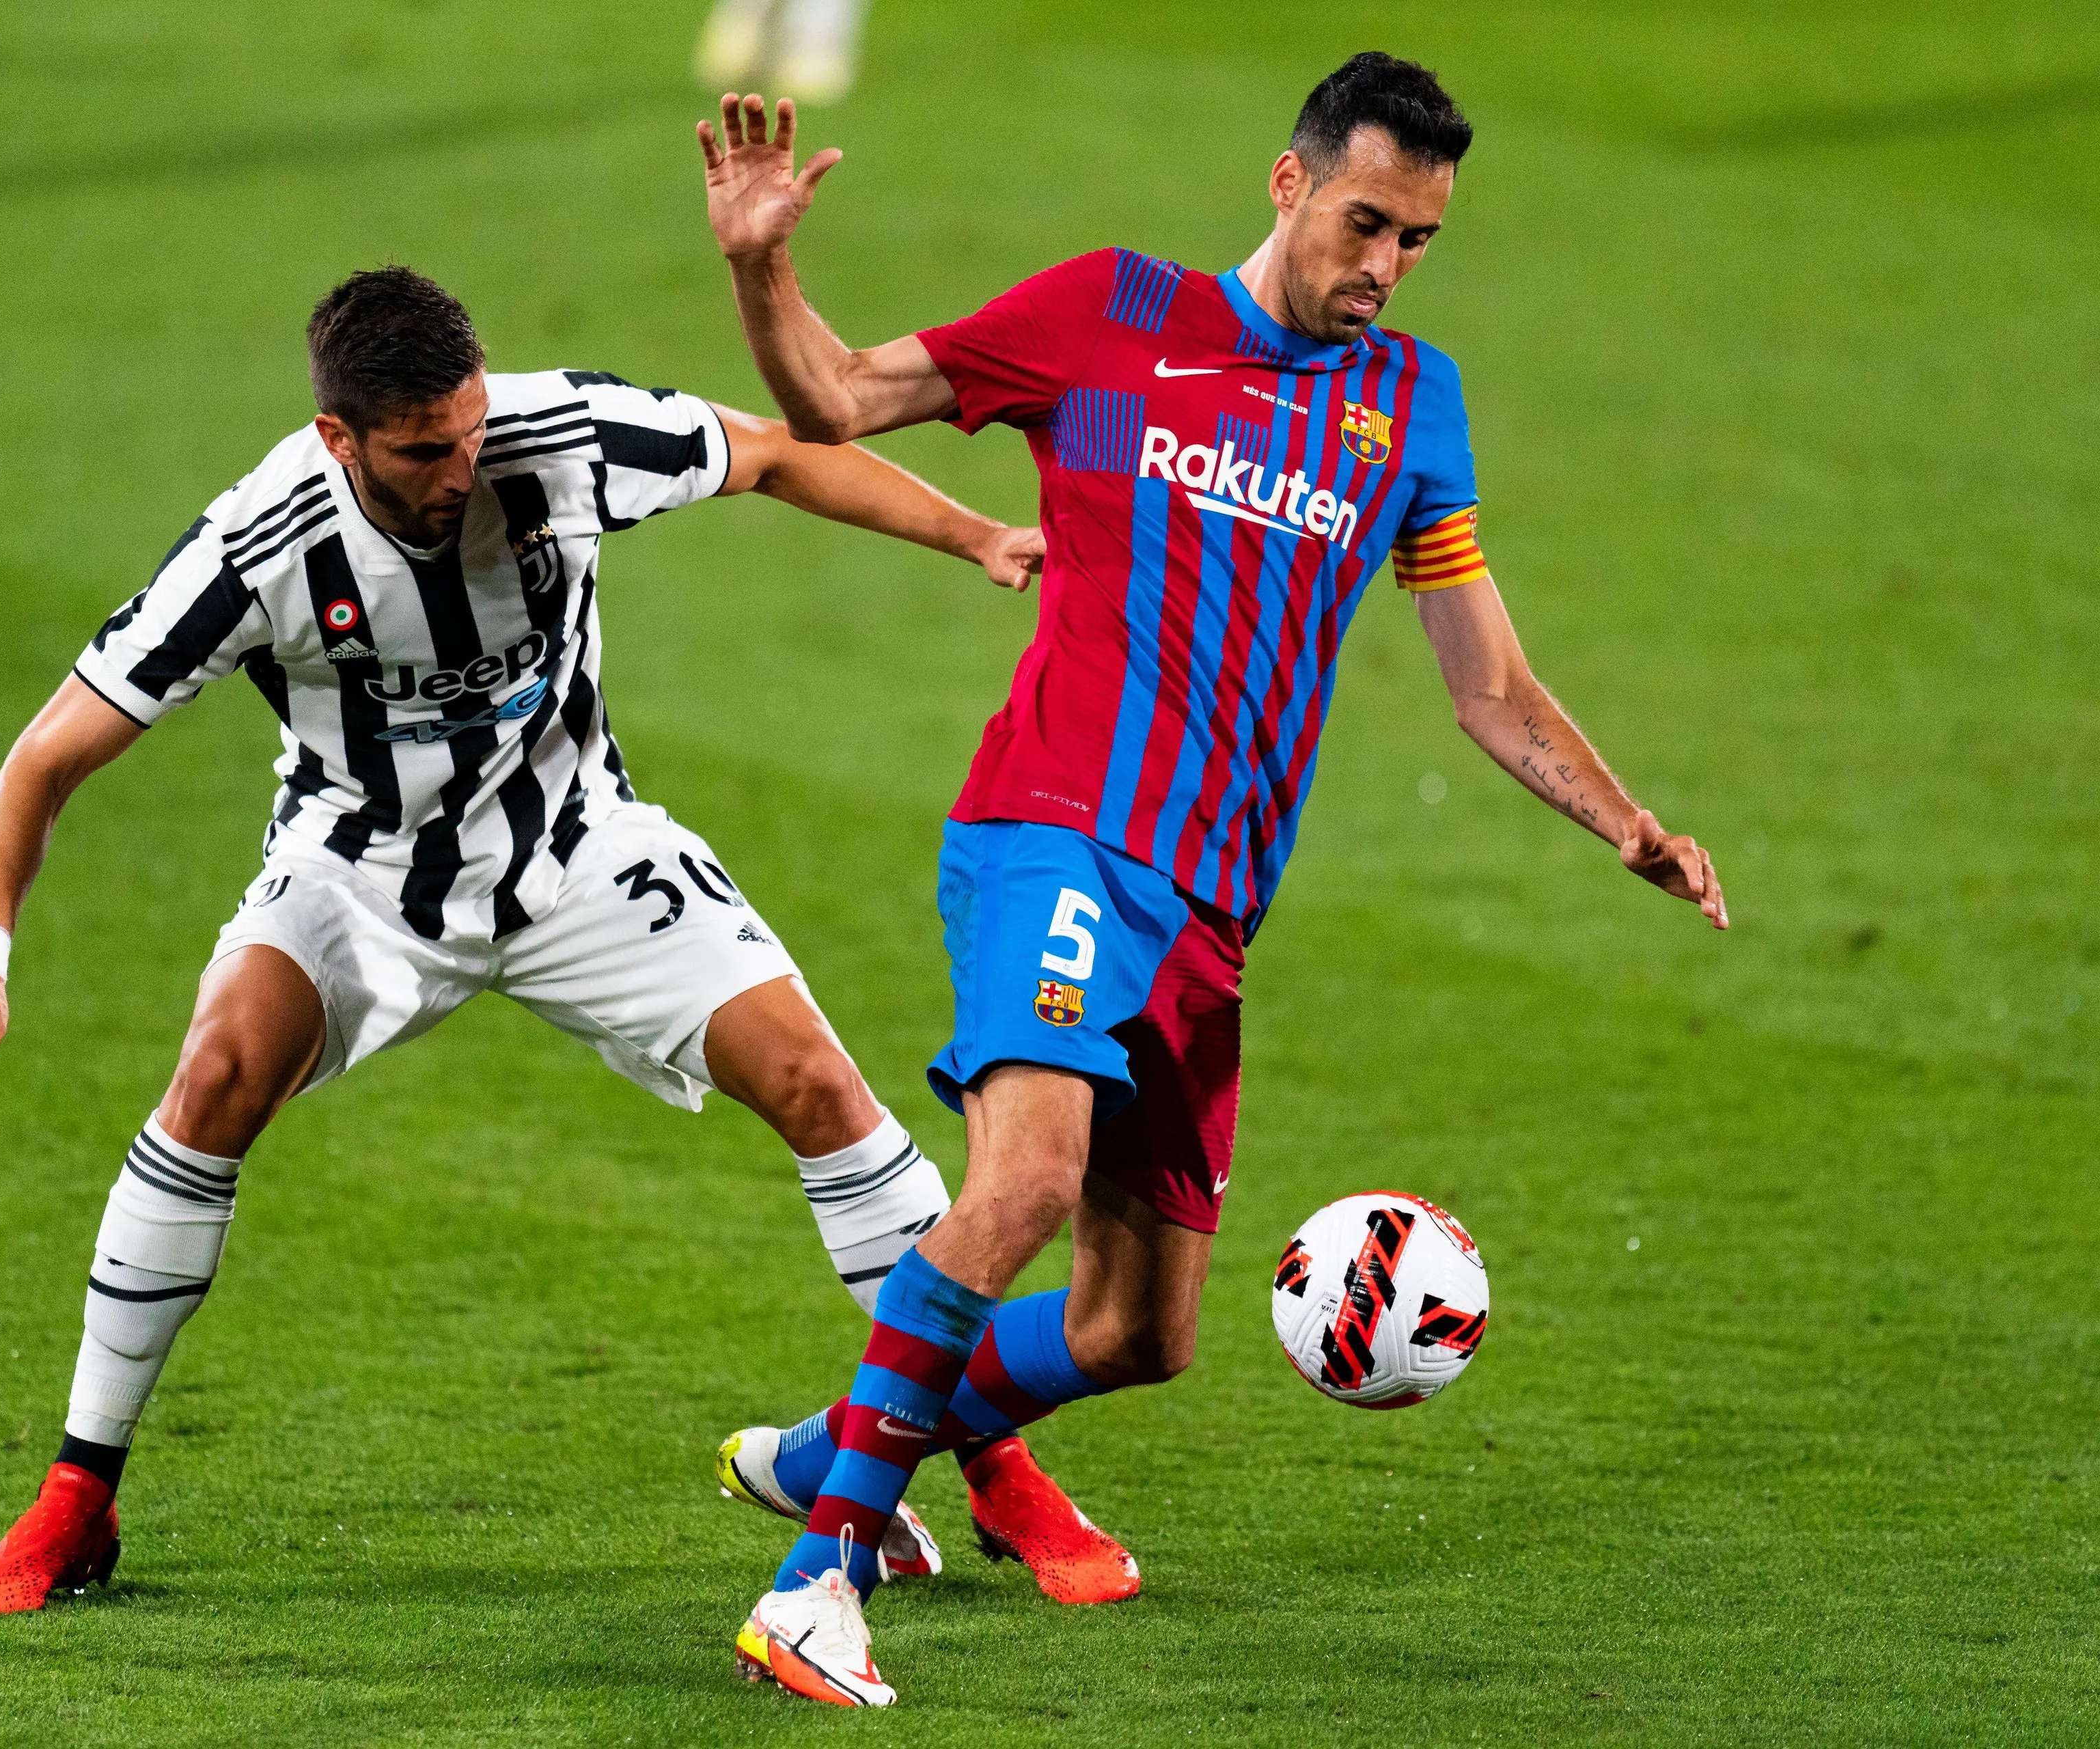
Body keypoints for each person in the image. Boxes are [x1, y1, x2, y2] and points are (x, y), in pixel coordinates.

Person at [697, 52, 1728, 1706]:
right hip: (1054, 829)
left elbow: (1486, 681)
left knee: (1137, 1331)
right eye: (1367, 223)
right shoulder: (1111, 317)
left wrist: (1627, 822)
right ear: (1288, 183)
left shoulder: (1409, 408)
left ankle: (831, 1448)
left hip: (1209, 903)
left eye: (1418, 242)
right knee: (1025, 1182)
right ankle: (816, 1578)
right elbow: (836, 399)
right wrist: (764, 268)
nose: (1384, 266)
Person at [0, 264, 1077, 1614]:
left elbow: (770, 455)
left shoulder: (554, 434)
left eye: (468, 429)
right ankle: (73, 1497)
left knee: (823, 1085)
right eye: (424, 449)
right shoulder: (258, 546)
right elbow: (46, 756)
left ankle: (996, 1465)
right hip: (360, 873)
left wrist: (973, 534)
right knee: (216, 1073)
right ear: (342, 438)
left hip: (578, 847)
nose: (464, 463)